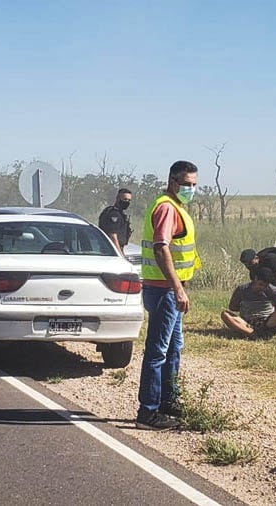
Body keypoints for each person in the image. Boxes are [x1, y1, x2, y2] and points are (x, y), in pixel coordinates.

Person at [136, 161, 201, 431]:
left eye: (194, 185)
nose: (190, 189)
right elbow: (161, 248)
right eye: (186, 184)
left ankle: (168, 402)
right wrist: (177, 287)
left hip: (169, 289)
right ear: (172, 181)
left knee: (174, 349)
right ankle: (148, 412)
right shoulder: (166, 207)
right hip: (163, 290)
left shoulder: (176, 207)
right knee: (158, 351)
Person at [221, 267, 276, 341]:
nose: (262, 288)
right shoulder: (242, 289)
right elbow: (232, 307)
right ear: (255, 279)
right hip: (246, 324)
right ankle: (252, 334)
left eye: (265, 286)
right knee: (225, 314)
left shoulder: (271, 289)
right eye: (260, 284)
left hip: (267, 323)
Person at [98, 188, 133, 255]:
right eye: (125, 199)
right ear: (117, 199)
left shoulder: (120, 214)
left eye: (129, 200)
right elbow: (113, 236)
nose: (127, 202)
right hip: (111, 252)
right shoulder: (114, 214)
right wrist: (120, 255)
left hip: (115, 250)